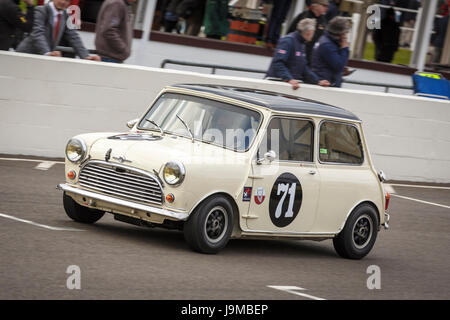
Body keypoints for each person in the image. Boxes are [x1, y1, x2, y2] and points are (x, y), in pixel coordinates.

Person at [16, 0, 99, 60]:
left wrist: (86, 56)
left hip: (44, 58)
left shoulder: (66, 14)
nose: (63, 2)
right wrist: (47, 53)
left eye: (67, 0)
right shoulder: (41, 10)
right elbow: (37, 33)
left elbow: (73, 36)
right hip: (27, 55)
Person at [266, 18, 331, 90]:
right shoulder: (288, 41)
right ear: (309, 32)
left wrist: (317, 81)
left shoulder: (301, 44)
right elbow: (278, 62)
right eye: (314, 32)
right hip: (276, 85)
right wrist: (289, 79)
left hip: (289, 85)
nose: (314, 35)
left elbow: (303, 68)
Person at [311, 16, 350, 87]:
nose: (346, 35)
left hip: (327, 80)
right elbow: (338, 66)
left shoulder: (327, 40)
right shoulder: (327, 45)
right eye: (345, 32)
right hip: (326, 83)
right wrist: (344, 48)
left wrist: (342, 70)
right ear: (340, 33)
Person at [287, 0, 329, 65]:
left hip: (312, 58)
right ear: (315, 5)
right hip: (298, 55)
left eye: (327, 6)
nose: (326, 8)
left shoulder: (323, 20)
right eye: (324, 5)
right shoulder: (303, 17)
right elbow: (291, 34)